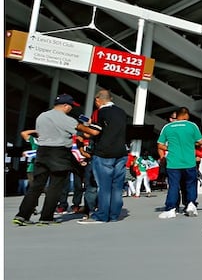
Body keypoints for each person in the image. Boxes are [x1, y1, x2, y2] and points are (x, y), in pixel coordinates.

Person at [13, 95, 99, 226]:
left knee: (36, 186)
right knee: (55, 186)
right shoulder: (67, 119)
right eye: (71, 106)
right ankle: (46, 217)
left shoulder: (41, 116)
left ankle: (22, 215)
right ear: (66, 106)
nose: (71, 109)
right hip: (59, 153)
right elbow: (87, 132)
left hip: (42, 152)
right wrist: (89, 125)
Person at [79, 89, 130, 224]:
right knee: (117, 187)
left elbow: (94, 132)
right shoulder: (121, 112)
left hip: (104, 153)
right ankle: (114, 215)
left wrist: (79, 126)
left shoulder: (100, 112)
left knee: (104, 187)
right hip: (121, 152)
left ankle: (102, 215)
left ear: (97, 100)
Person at [156, 107, 202, 219]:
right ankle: (191, 204)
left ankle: (171, 209)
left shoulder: (167, 127)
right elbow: (200, 142)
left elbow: (159, 144)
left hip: (173, 162)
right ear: (186, 115)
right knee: (190, 184)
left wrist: (170, 147)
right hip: (189, 161)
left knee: (173, 186)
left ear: (177, 115)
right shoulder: (192, 126)